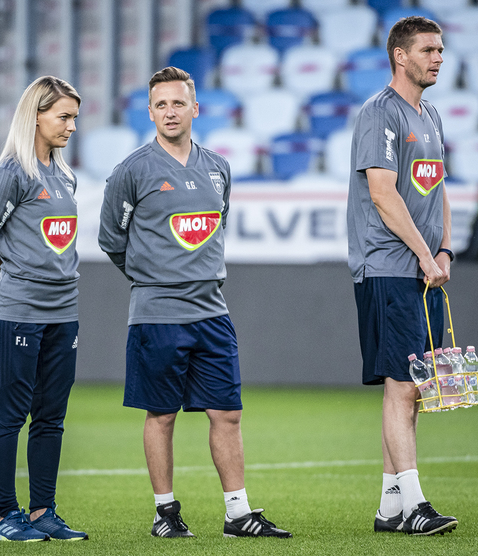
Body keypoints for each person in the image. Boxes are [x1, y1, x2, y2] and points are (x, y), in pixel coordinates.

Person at [97, 66, 291, 540]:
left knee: (228, 413)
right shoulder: (131, 171)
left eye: (178, 103)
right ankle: (165, 513)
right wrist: (152, 279)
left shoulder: (219, 168)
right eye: (160, 104)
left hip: (212, 313)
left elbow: (217, 228)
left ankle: (238, 514)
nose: (170, 112)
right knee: (161, 415)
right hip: (156, 315)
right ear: (149, 112)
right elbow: (111, 240)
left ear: (195, 108)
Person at [346, 16, 459, 536]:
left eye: (440, 49)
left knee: (414, 387)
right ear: (400, 55)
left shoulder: (430, 114)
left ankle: (391, 508)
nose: (438, 57)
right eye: (428, 50)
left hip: (423, 268)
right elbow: (382, 193)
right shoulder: (380, 113)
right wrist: (423, 255)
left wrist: (445, 250)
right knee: (402, 384)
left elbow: (439, 189)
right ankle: (414, 504)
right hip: (388, 267)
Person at [0, 75, 88, 543]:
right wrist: (15, 264)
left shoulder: (64, 175)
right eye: (64, 116)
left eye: (74, 117)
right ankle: (4, 518)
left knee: (51, 416)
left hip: (64, 311)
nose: (72, 126)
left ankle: (42, 513)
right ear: (35, 115)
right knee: (10, 415)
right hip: (20, 311)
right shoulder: (12, 173)